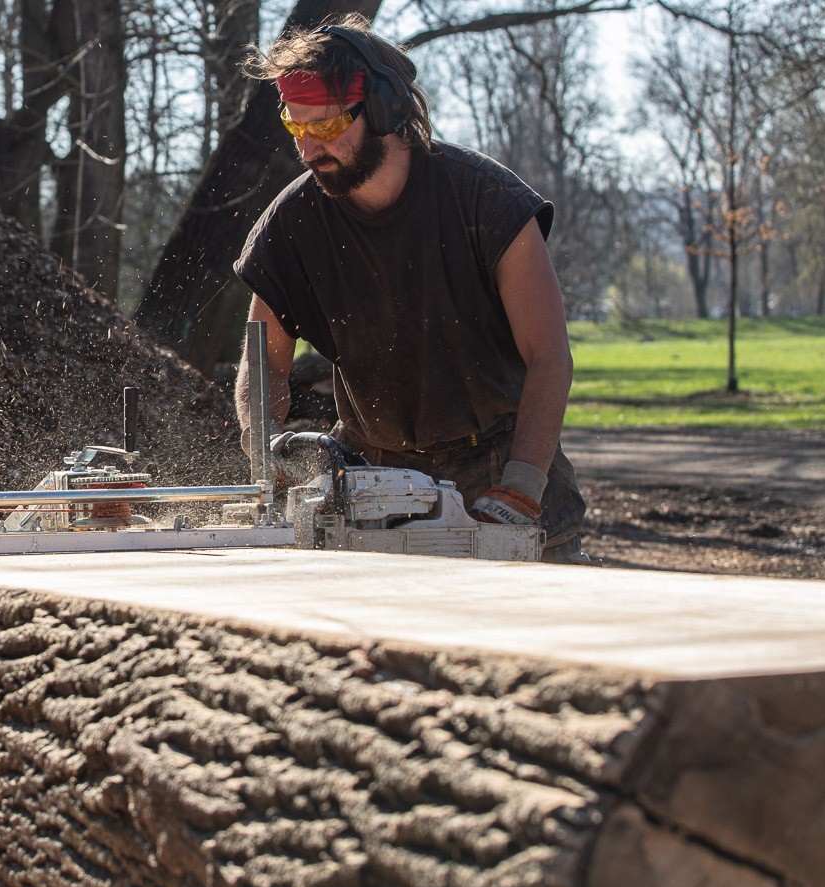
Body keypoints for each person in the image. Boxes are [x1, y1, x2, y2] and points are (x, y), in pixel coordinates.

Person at [232, 14, 591, 564]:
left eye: (325, 127)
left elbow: (549, 357)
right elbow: (265, 366)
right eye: (295, 128)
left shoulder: (488, 203)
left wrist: (520, 489)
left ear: (384, 109)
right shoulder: (294, 223)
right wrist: (267, 462)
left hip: (499, 459)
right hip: (369, 476)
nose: (308, 150)